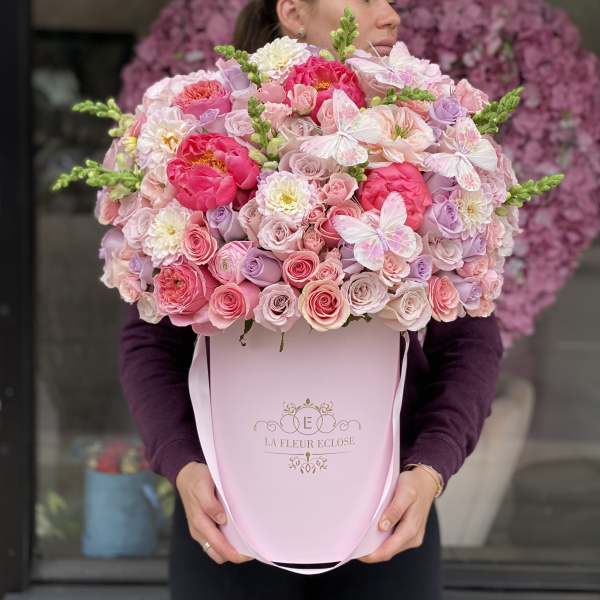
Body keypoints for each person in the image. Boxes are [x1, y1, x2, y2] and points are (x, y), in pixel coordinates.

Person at [118, 1, 505, 598]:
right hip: (227, 515)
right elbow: (150, 337)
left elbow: (471, 338)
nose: (390, 14)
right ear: (294, 11)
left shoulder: (426, 144)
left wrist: (430, 468)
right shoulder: (207, 142)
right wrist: (183, 464)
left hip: (388, 518)